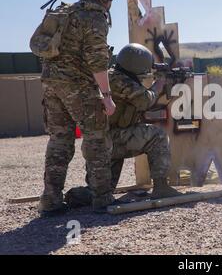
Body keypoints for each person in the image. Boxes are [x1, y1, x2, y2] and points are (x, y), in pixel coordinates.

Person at [38, 0, 118, 216]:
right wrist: (106, 95)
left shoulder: (65, 11)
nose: (110, 0)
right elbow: (97, 60)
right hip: (77, 86)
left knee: (60, 139)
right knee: (96, 138)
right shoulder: (94, 16)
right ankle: (102, 199)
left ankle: (51, 201)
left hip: (51, 83)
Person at [64, 44, 182, 208]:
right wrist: (160, 83)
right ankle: (161, 187)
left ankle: (77, 196)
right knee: (157, 135)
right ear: (135, 64)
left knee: (102, 192)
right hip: (110, 142)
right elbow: (144, 101)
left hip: (103, 143)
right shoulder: (120, 80)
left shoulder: (111, 76)